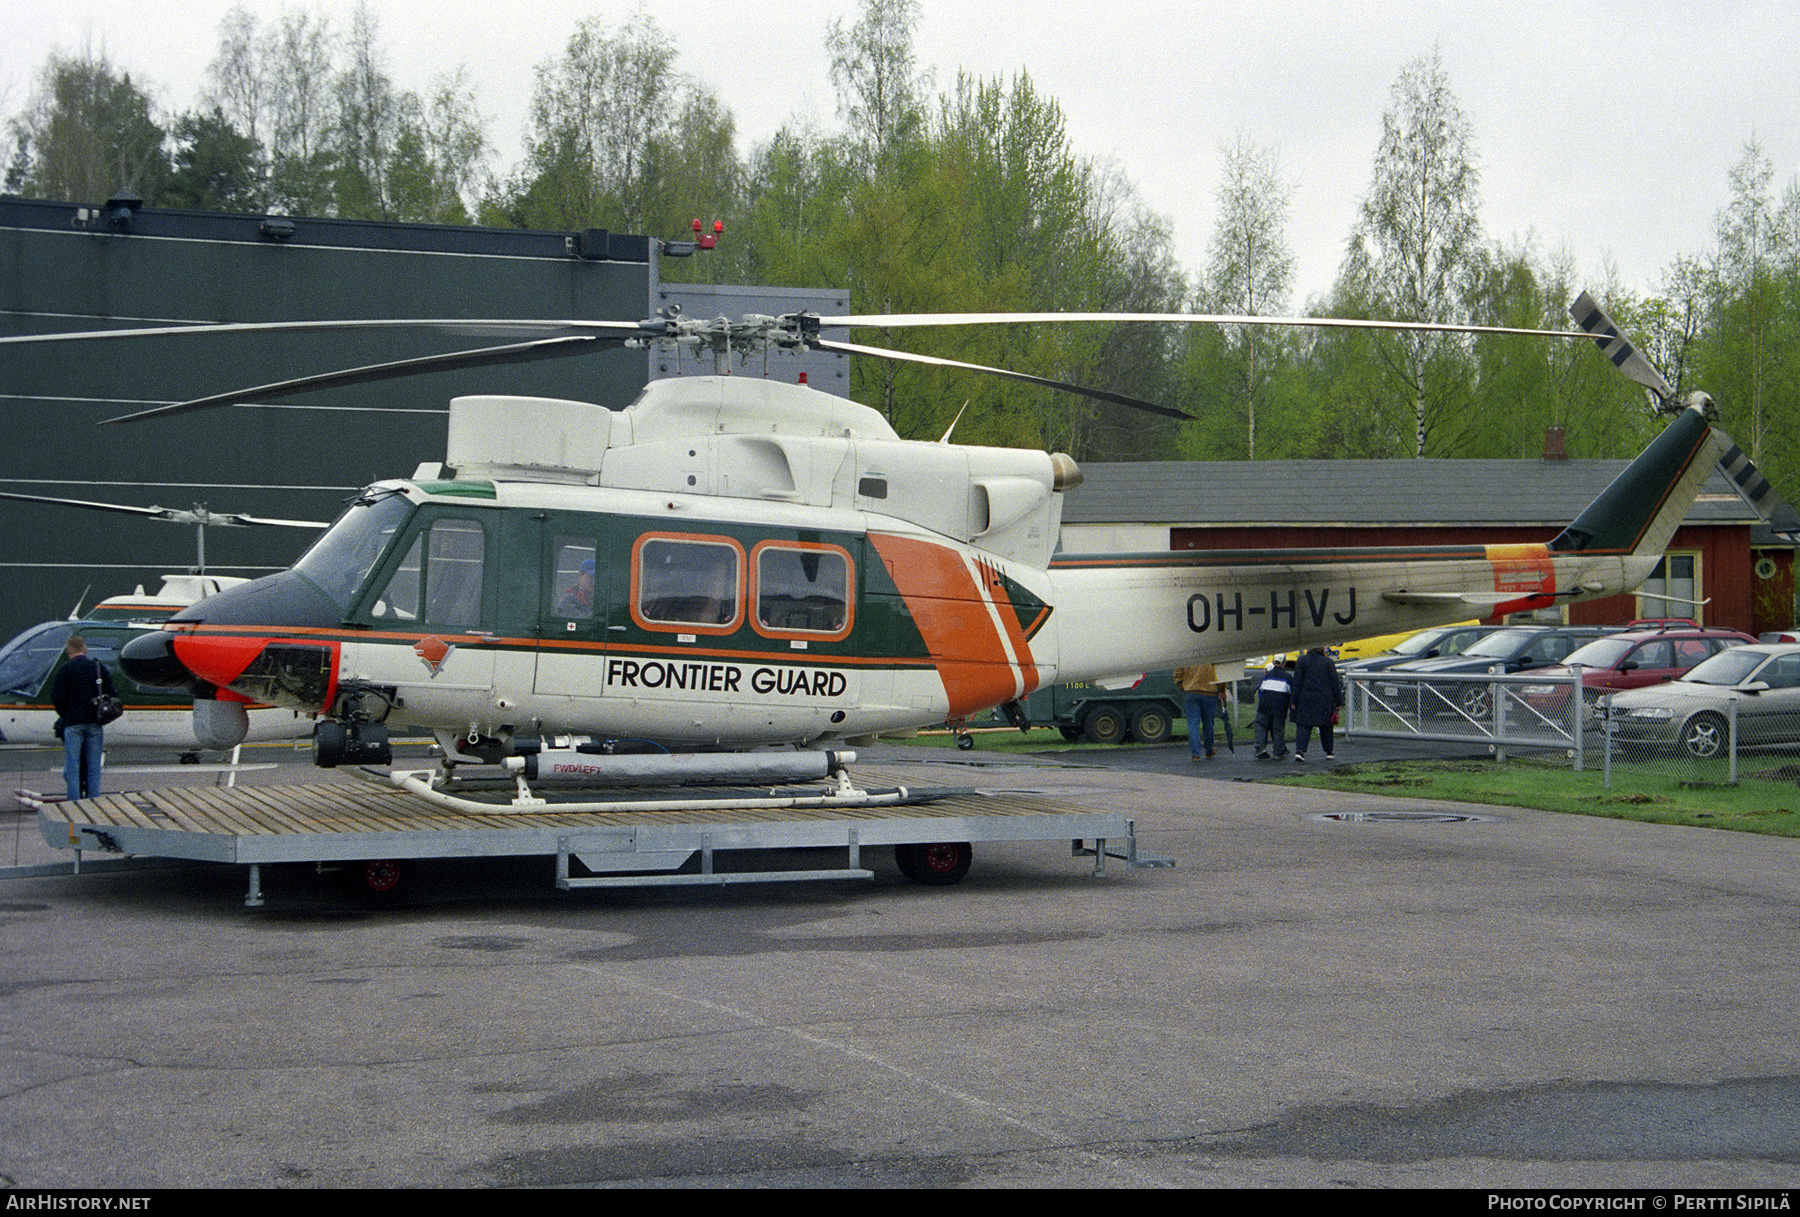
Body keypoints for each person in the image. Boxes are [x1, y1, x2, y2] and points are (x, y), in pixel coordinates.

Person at [50, 634, 116, 800]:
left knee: (73, 765)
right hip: (94, 722)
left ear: (69, 651)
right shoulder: (98, 668)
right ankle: (93, 799)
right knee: (94, 765)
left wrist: (66, 714)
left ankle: (74, 800)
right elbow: (112, 693)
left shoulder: (65, 670)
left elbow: (57, 698)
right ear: (85, 650)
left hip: (73, 723)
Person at [1290, 646, 1345, 762]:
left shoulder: (1302, 660)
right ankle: (1329, 751)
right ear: (1322, 649)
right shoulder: (1328, 662)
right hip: (1325, 699)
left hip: (1306, 698)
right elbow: (1335, 682)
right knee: (1326, 727)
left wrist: (1293, 700)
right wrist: (1339, 701)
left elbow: (1297, 682)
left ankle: (1300, 750)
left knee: (1304, 725)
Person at [1173, 662, 1226, 760]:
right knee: (1208, 723)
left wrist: (1183, 686)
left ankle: (1195, 754)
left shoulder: (1186, 654)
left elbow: (1177, 674)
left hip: (1191, 691)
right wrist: (1222, 689)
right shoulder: (1212, 653)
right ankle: (1209, 750)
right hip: (1210, 692)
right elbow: (1220, 672)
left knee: (1193, 723)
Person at [1253, 661, 1294, 759]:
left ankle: (1260, 749)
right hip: (1279, 707)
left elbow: (1260, 691)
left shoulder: (1267, 676)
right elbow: (1292, 692)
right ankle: (1278, 752)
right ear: (1284, 663)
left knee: (1261, 726)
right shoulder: (1287, 677)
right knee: (1277, 729)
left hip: (1264, 706)